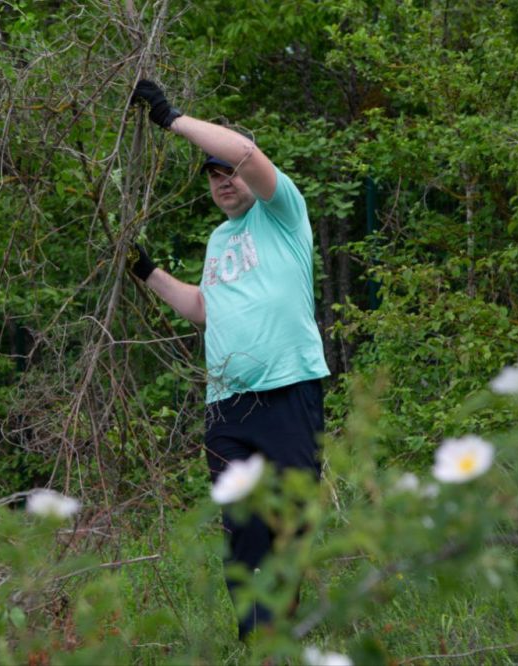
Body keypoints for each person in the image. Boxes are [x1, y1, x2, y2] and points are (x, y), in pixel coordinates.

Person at [129, 79, 330, 639]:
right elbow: (202, 307)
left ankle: (285, 636)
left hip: (288, 392)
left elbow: (245, 151)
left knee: (287, 524)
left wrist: (170, 118)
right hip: (227, 408)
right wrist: (145, 271)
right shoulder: (218, 241)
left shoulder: (283, 211)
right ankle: (257, 642)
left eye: (230, 171)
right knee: (243, 533)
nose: (224, 181)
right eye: (214, 176)